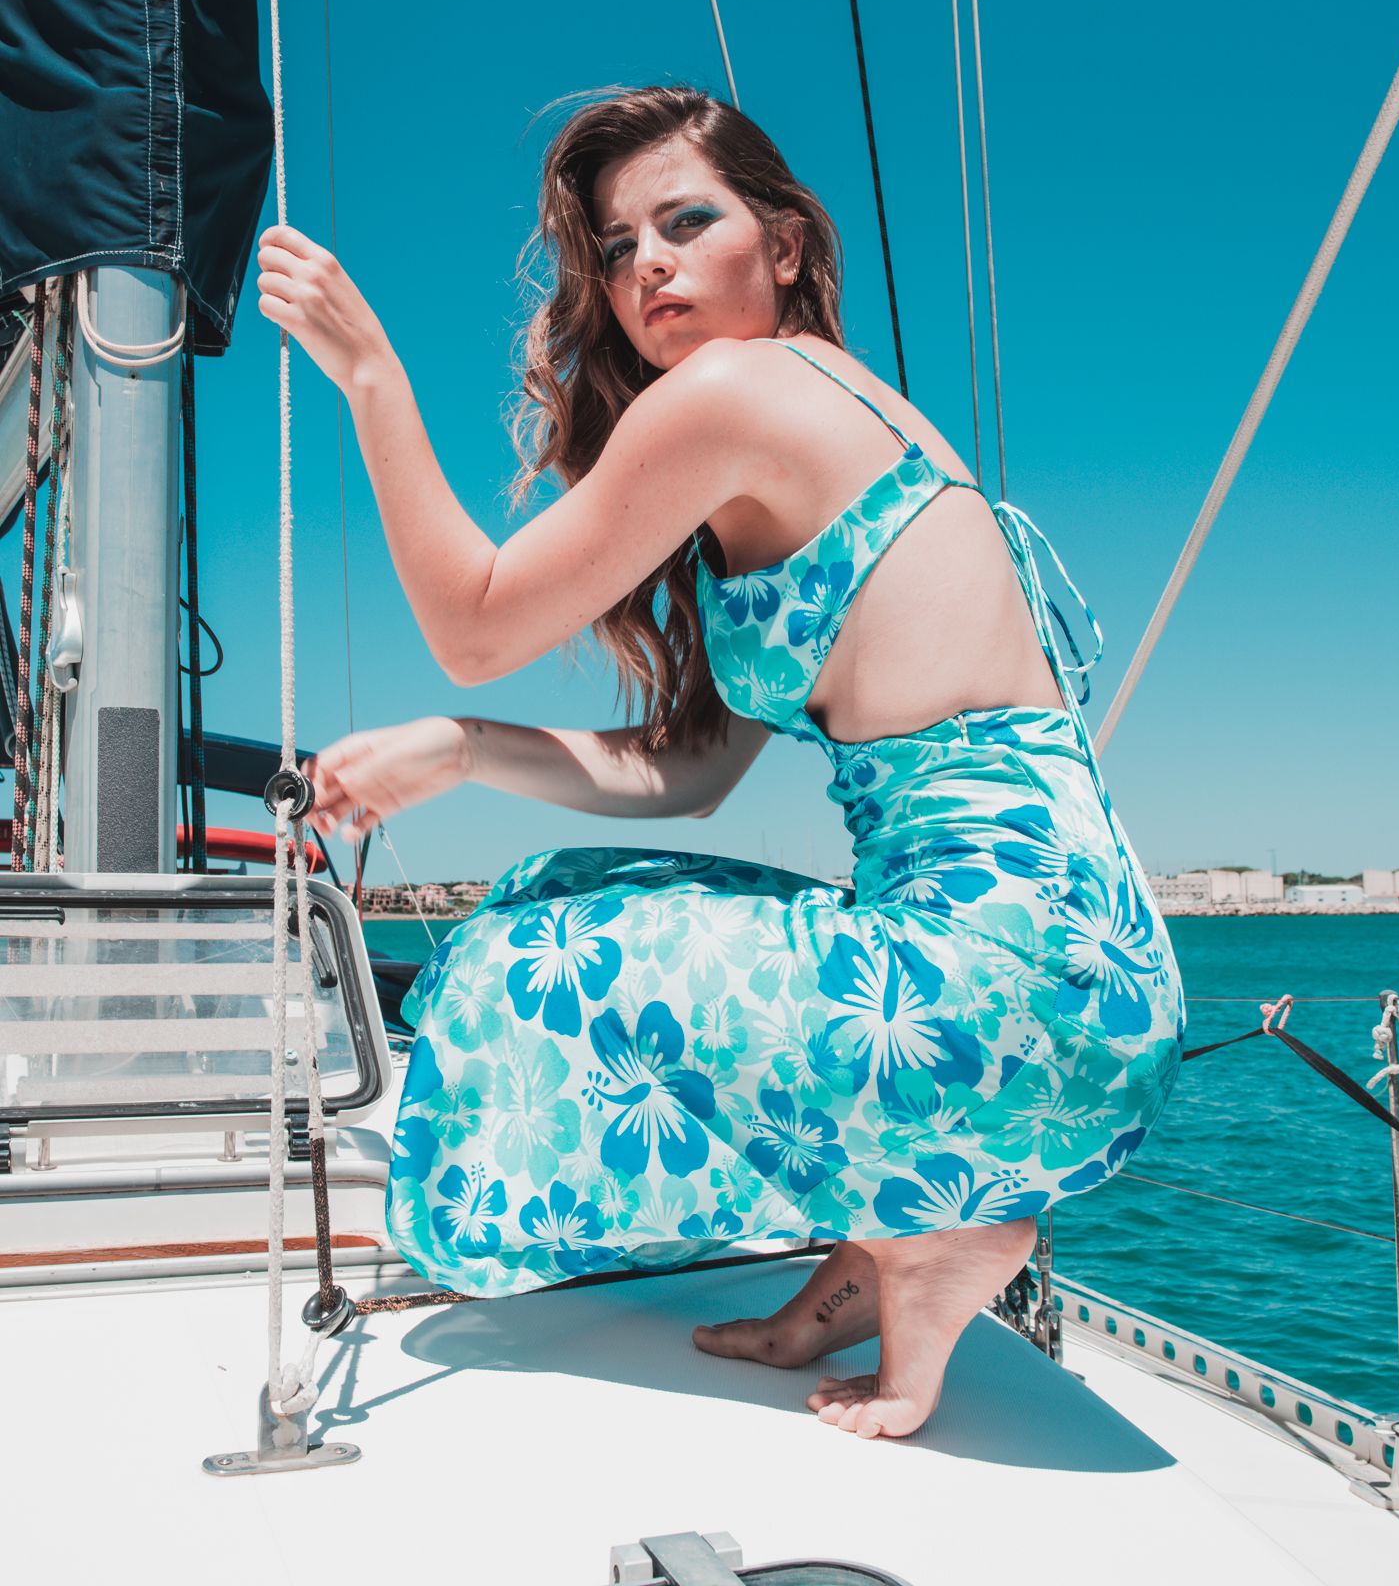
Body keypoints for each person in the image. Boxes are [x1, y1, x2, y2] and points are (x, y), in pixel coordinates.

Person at [257, 85, 1184, 1440]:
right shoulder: (841, 427)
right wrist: (464, 752)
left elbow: (473, 628)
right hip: (1076, 982)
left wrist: (369, 374)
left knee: (522, 960)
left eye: (686, 222)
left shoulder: (737, 391)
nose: (647, 265)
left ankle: (944, 1231)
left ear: (786, 246)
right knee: (569, 886)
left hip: (995, 987)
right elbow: (685, 776)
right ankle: (883, 1240)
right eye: (617, 248)